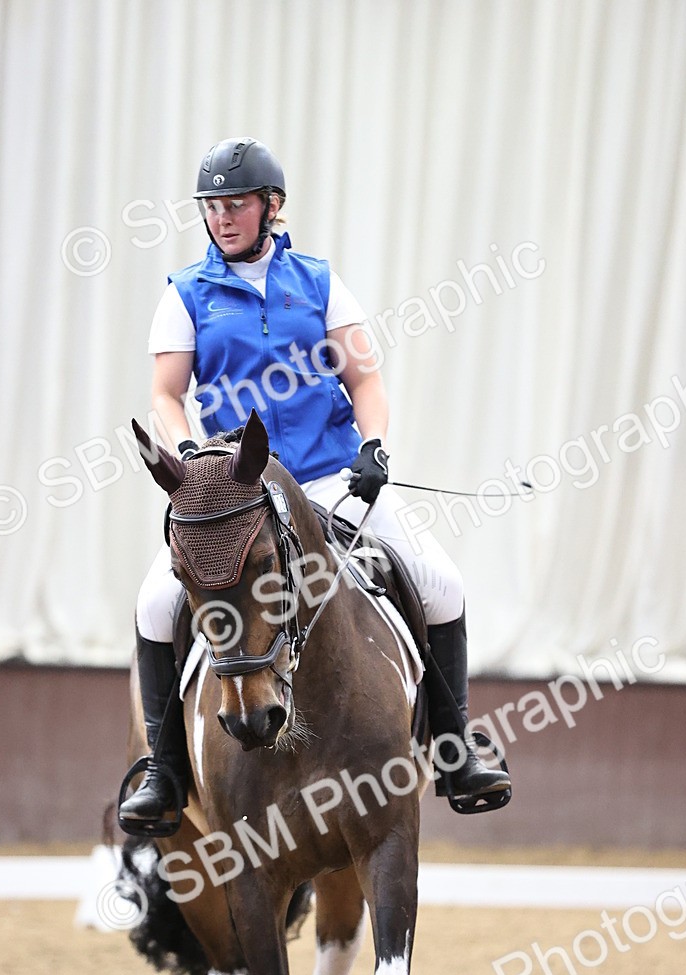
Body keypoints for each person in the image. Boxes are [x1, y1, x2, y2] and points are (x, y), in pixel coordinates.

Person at [120, 136, 511, 828]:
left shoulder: (320, 282)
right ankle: (164, 772)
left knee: (443, 585)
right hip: (236, 491)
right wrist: (188, 458)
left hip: (330, 477)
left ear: (272, 206)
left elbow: (364, 378)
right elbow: (165, 393)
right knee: (155, 605)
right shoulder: (186, 293)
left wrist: (375, 448)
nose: (221, 218)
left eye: (235, 204)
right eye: (211, 207)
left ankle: (454, 751)